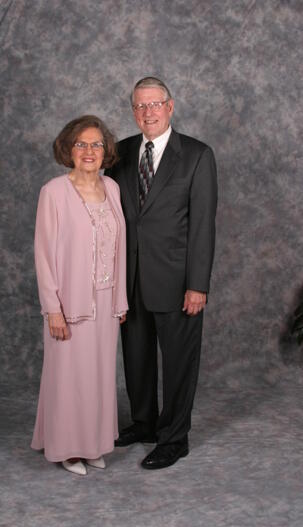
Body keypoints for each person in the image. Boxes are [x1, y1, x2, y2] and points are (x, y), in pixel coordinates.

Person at [105, 77, 217, 469]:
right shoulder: (119, 152)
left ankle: (174, 439)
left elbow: (203, 226)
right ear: (133, 110)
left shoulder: (197, 156)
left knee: (178, 363)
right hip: (130, 280)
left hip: (177, 283)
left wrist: (197, 285)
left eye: (155, 104)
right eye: (140, 106)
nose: (147, 112)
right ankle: (144, 423)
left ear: (170, 107)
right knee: (136, 358)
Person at [31, 115, 128, 476]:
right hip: (70, 304)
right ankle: (67, 448)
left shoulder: (112, 189)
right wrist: (52, 309)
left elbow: (120, 248)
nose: (89, 151)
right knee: (69, 376)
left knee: (100, 377)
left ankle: (93, 444)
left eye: (96, 144)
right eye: (81, 144)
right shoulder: (53, 192)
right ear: (68, 150)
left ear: (106, 151)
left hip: (106, 302)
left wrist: (120, 301)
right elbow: (43, 254)